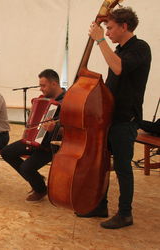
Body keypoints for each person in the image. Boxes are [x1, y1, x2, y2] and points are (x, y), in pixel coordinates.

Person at [79, 7, 151, 229]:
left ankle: (125, 214)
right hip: (110, 119)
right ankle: (101, 205)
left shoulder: (140, 48)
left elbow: (118, 69)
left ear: (124, 26)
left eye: (110, 28)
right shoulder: (120, 50)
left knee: (122, 168)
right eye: (106, 29)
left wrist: (99, 40)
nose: (107, 32)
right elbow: (112, 84)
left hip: (125, 121)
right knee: (101, 165)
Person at [1, 69, 65, 202]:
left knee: (26, 167)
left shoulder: (68, 101)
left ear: (54, 84)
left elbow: (71, 129)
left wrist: (56, 129)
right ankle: (36, 179)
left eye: (43, 86)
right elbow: (35, 122)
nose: (41, 89)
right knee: (6, 152)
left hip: (52, 145)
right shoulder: (44, 99)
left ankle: (40, 189)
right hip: (35, 140)